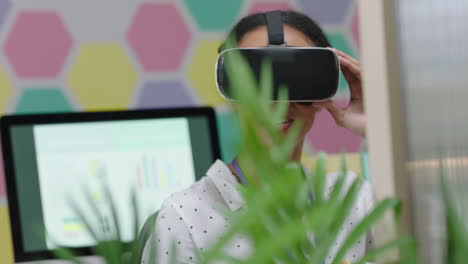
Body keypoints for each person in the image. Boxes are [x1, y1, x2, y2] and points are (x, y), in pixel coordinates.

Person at [142, 10, 372, 264]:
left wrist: (373, 128)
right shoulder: (183, 217)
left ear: (321, 93)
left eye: (296, 78)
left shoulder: (354, 199)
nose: (278, 101)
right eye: (256, 79)